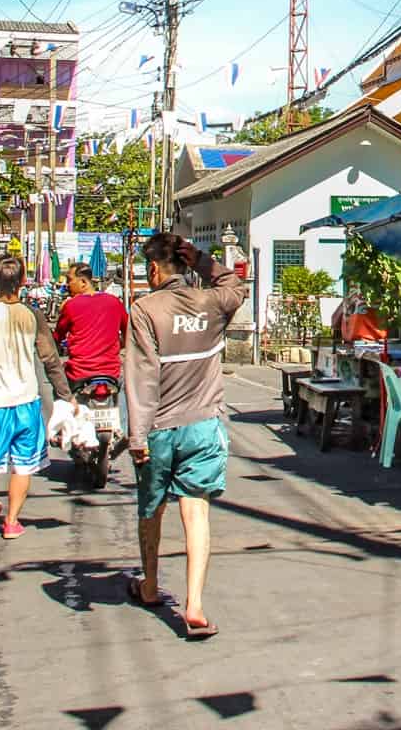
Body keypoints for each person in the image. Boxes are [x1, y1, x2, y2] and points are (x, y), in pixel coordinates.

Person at [125, 232, 247, 639]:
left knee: (152, 510)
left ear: (155, 270)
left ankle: (151, 584)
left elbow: (143, 377)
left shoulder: (144, 310)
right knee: (196, 513)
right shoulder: (210, 304)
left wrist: (137, 436)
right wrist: (200, 260)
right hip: (203, 426)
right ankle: (194, 604)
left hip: (159, 428)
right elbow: (234, 285)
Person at [0, 254, 71, 540]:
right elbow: (50, 359)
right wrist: (63, 394)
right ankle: (11, 521)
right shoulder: (33, 316)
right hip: (26, 401)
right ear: (22, 281)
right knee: (23, 463)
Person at [55, 263, 128, 386]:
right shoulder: (115, 302)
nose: (66, 285)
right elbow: (129, 333)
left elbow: (57, 337)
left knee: (59, 393)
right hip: (111, 374)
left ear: (83, 282)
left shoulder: (71, 305)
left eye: (69, 280)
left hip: (78, 374)